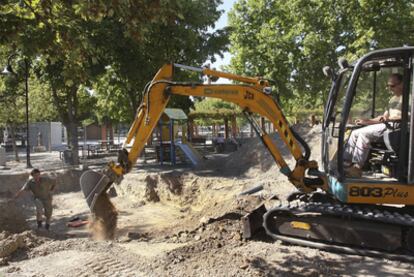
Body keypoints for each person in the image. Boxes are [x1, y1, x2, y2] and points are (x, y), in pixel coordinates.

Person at [344, 73, 403, 177]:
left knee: (364, 135)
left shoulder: (409, 98)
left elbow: (408, 117)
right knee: (355, 132)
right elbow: (383, 117)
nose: (390, 88)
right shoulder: (392, 99)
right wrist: (366, 121)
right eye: (388, 86)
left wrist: (389, 119)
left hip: (397, 128)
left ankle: (357, 167)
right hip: (387, 125)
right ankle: (346, 163)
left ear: (401, 84)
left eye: (392, 86)